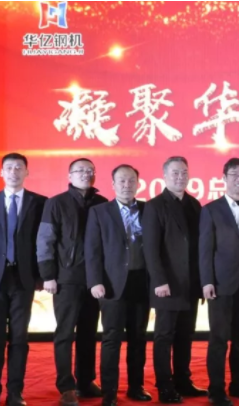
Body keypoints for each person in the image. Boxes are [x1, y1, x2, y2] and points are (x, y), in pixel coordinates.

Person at [0, 153, 47, 406]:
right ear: (1, 172)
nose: (14, 172)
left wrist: (42, 275)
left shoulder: (39, 202)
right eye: (9, 167)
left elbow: (43, 242)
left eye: (19, 167)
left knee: (19, 338)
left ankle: (15, 392)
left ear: (27, 172)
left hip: (23, 278)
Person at [37, 158, 107, 405]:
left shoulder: (102, 203)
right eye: (80, 170)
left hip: (95, 279)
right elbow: (45, 241)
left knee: (89, 332)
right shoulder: (56, 203)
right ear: (70, 175)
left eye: (90, 170)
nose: (85, 174)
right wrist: (48, 275)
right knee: (65, 333)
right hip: (66, 279)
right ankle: (66, 386)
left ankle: (85, 381)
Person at [85, 164, 152, 405]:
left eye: (131, 180)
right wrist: (95, 281)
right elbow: (92, 250)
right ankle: (109, 392)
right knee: (111, 339)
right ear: (113, 184)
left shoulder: (148, 210)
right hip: (111, 284)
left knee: (138, 337)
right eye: (122, 181)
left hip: (141, 282)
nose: (127, 185)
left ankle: (136, 386)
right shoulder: (99, 212)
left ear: (138, 184)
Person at [143, 156, 207, 403]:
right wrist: (159, 280)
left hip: (190, 284)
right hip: (167, 284)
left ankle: (183, 380)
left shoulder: (194, 204)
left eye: (184, 172)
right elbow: (151, 249)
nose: (180, 177)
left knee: (185, 334)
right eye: (175, 173)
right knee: (164, 336)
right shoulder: (155, 206)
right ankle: (164, 385)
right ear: (164, 176)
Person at [200, 158, 239, 406]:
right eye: (234, 174)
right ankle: (216, 390)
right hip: (219, 284)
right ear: (224, 178)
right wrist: (207, 281)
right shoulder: (211, 209)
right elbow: (205, 250)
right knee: (218, 339)